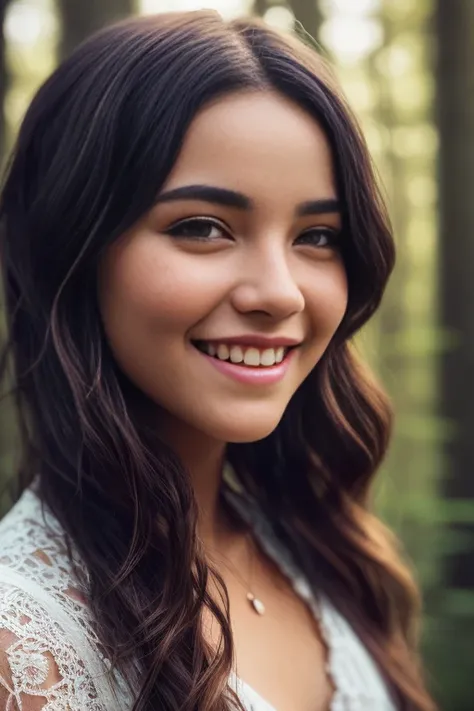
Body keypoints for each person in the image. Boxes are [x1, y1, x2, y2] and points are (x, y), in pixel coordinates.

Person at [0, 10, 436, 711]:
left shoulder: (321, 545)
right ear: (71, 252)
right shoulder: (22, 642)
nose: (280, 292)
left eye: (318, 235)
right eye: (202, 227)